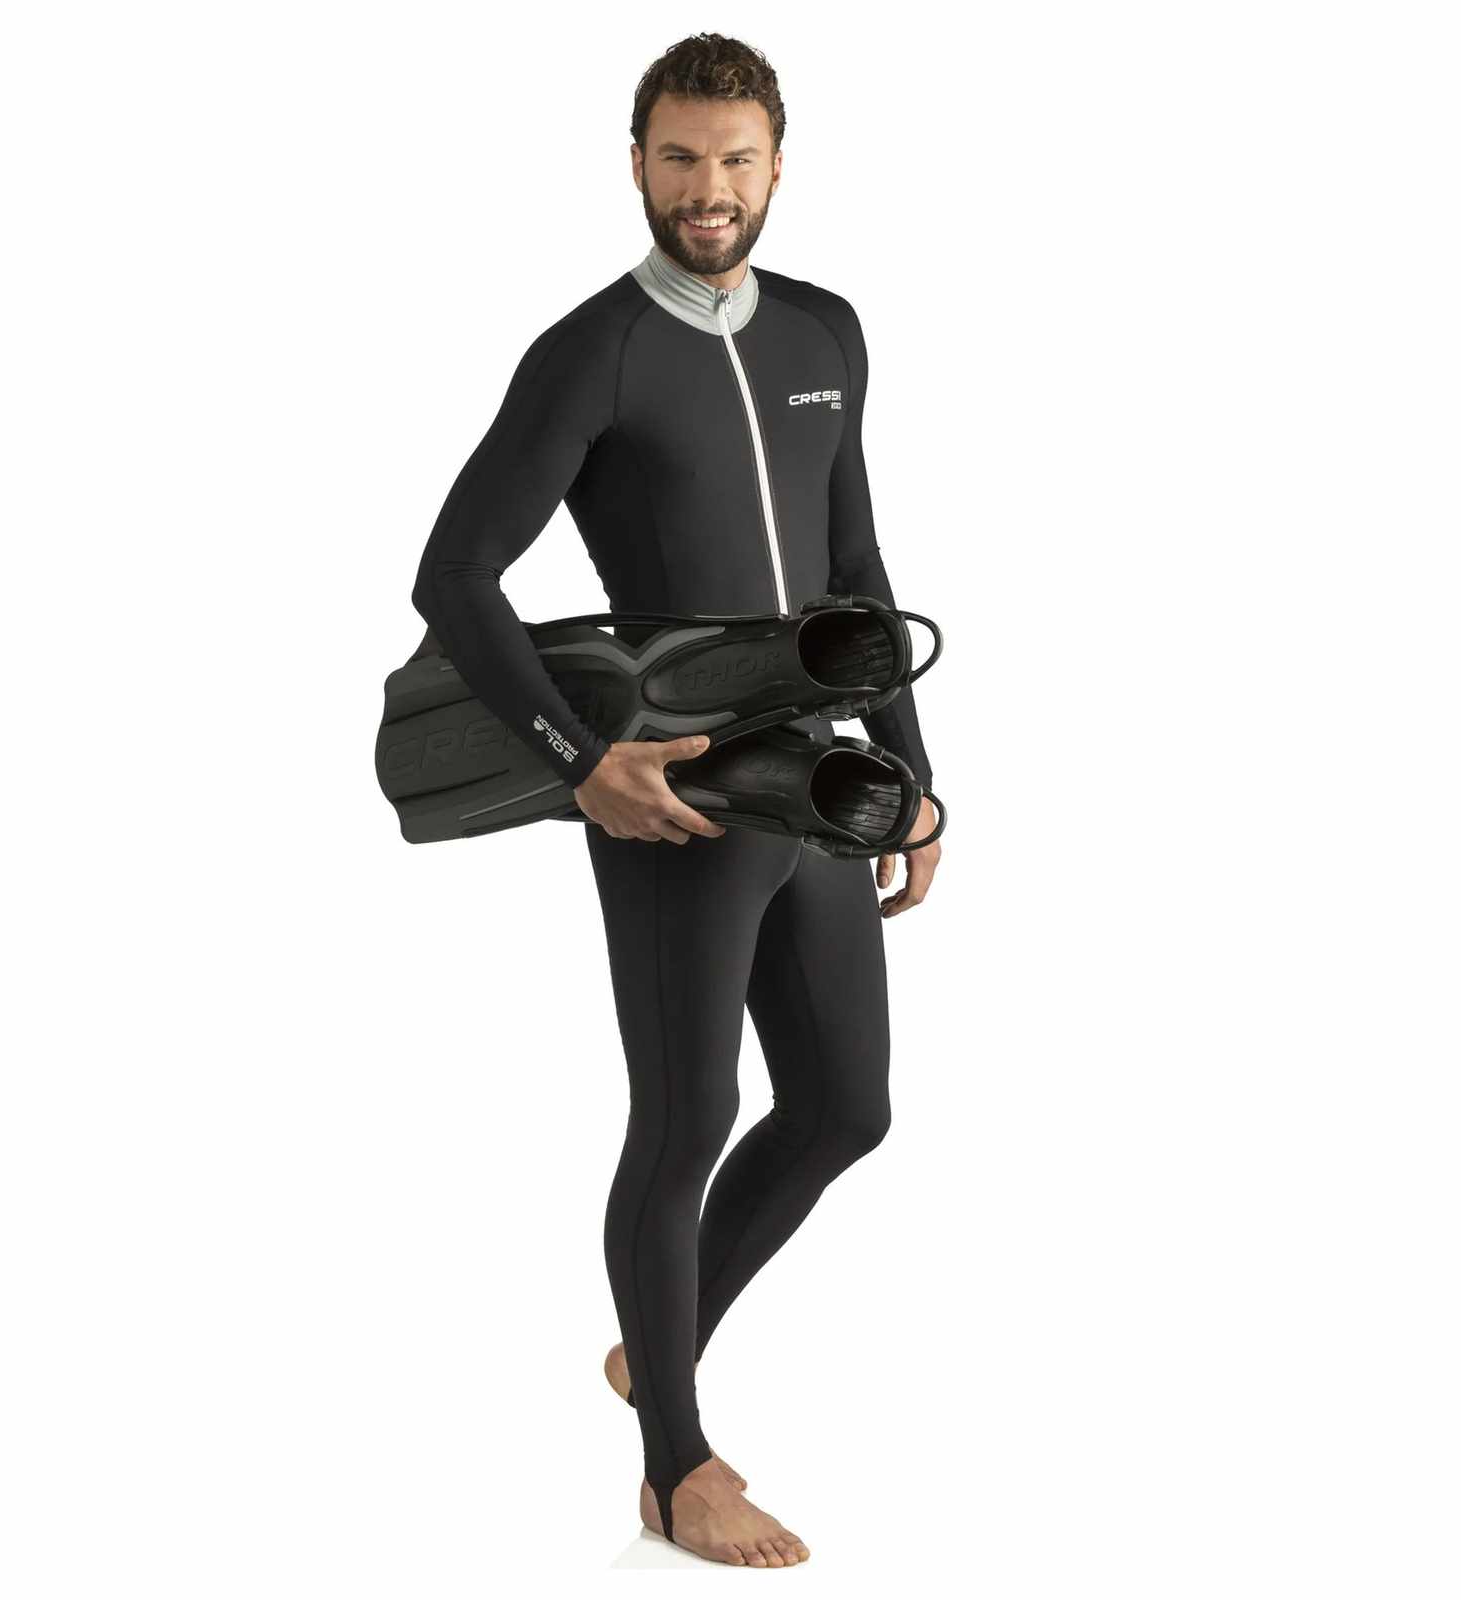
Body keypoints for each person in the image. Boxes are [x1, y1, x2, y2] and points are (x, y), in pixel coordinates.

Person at [409, 32, 941, 1568]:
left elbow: (858, 569)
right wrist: (583, 763)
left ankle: (661, 1340)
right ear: (636, 162)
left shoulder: (828, 331)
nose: (709, 189)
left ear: (778, 165)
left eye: (736, 159)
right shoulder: (596, 353)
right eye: (681, 158)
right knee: (689, 1115)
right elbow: (454, 577)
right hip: (677, 793)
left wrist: (914, 777)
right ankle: (673, 1466)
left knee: (845, 1108)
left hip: (815, 778)